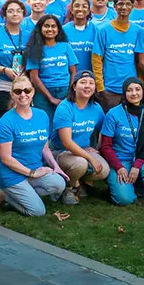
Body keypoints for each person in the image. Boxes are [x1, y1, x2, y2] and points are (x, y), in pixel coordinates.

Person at [0, 75, 69, 216]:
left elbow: (44, 147)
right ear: (12, 94)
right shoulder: (6, 121)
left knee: (59, 184)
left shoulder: (42, 115)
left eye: (27, 90)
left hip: (34, 169)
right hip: (12, 174)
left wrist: (56, 167)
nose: (23, 95)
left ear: (33, 92)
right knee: (38, 211)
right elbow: (6, 158)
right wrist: (32, 173)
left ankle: (23, 193)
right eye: (18, 91)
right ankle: (2, 194)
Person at [99, 78, 144, 206]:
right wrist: (119, 167)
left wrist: (137, 165)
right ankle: (120, 185)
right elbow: (106, 146)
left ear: (143, 92)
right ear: (124, 93)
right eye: (129, 90)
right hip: (119, 161)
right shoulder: (113, 114)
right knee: (124, 200)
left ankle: (137, 188)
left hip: (141, 159)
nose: (134, 93)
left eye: (137, 89)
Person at [52, 72, 110, 204]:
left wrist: (97, 148)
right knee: (80, 164)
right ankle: (68, 187)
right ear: (74, 86)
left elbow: (103, 130)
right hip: (60, 151)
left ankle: (80, 181)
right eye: (83, 82)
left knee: (104, 170)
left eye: (91, 83)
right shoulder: (65, 107)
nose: (87, 86)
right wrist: (90, 158)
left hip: (83, 150)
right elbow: (66, 142)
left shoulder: (96, 107)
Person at [24, 15, 76, 125]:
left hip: (65, 91)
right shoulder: (34, 49)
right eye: (46, 26)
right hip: (43, 93)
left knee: (65, 125)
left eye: (53, 26)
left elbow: (73, 72)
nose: (50, 29)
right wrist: (50, 98)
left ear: (58, 29)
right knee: (44, 124)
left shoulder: (66, 46)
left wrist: (71, 92)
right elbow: (34, 77)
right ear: (40, 28)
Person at [92, 0, 140, 110]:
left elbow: (141, 61)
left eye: (128, 4)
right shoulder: (103, 30)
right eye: (120, 4)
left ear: (132, 7)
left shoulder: (138, 31)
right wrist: (100, 87)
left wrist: (140, 85)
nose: (124, 7)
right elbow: (96, 60)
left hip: (131, 88)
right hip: (109, 89)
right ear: (114, 6)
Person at [64, 0, 96, 75]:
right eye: (77, 6)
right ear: (71, 10)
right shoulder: (63, 30)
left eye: (84, 6)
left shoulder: (96, 30)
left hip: (90, 77)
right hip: (70, 76)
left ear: (89, 11)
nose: (80, 9)